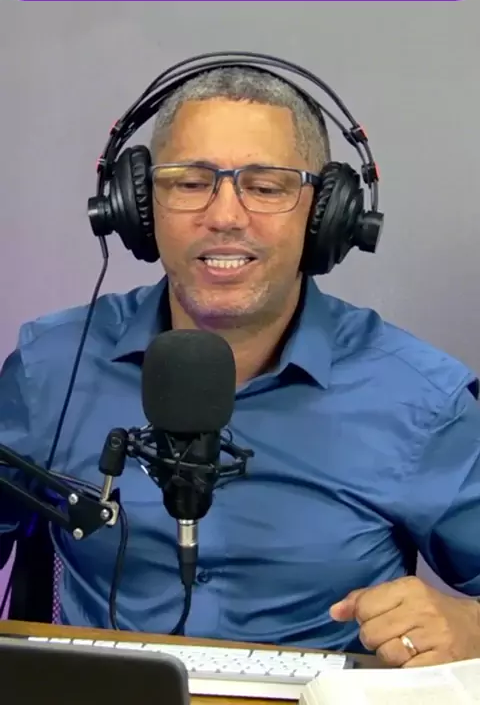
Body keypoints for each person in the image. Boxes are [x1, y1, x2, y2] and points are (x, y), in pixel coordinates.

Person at [1, 59, 480, 671]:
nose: (225, 216)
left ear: (326, 212)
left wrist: (470, 627)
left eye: (267, 187)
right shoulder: (52, 365)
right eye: (189, 182)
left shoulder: (420, 397)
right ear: (136, 205)